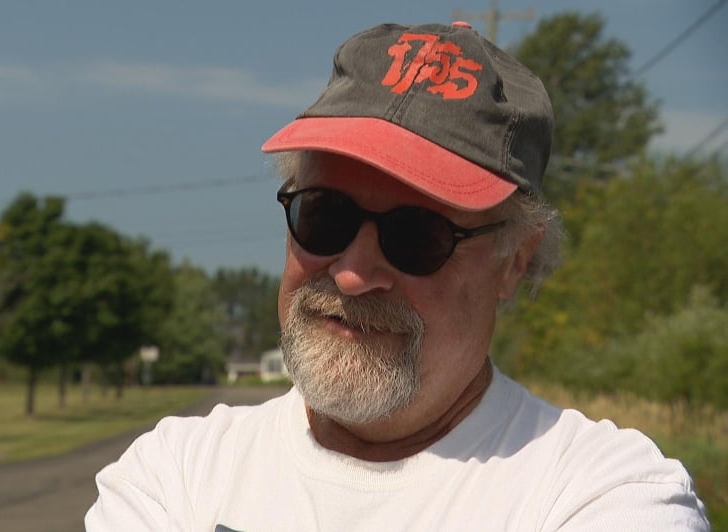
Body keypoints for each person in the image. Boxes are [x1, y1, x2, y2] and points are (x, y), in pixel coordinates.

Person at [85, 22, 709, 530]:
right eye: (324, 217)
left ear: (515, 260)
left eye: (419, 237)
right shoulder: (173, 477)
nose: (354, 274)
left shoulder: (604, 493)